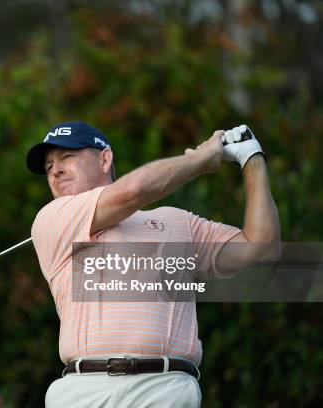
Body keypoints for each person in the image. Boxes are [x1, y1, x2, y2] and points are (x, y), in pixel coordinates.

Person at [26, 121, 280, 407]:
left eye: (67, 157)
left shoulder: (177, 222)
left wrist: (252, 159)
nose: (55, 170)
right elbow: (132, 191)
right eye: (48, 167)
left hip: (165, 388)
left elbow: (261, 248)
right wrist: (199, 160)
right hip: (85, 390)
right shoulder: (53, 218)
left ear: (104, 158)